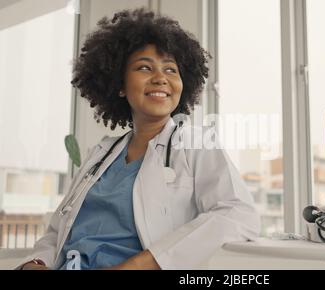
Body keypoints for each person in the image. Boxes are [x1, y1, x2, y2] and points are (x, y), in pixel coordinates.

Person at [17, 8, 260, 270]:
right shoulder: (101, 155)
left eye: (171, 69)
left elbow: (238, 214)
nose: (160, 78)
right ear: (119, 85)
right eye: (145, 67)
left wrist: (141, 264)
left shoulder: (197, 145)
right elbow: (58, 230)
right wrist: (37, 262)